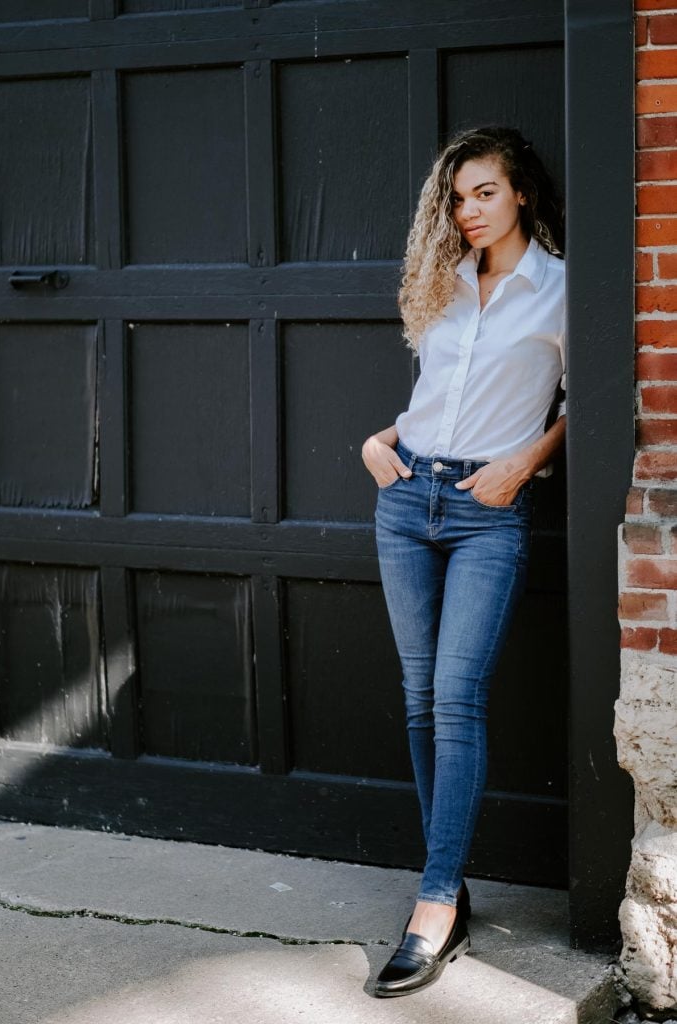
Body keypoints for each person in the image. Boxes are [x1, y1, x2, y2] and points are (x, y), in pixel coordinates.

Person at [361, 125, 566, 999]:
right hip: (405, 498)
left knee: (455, 698)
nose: (468, 210)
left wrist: (527, 460)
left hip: (488, 513)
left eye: (483, 191)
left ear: (519, 191)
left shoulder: (561, 289)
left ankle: (436, 902)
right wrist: (375, 442)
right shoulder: (439, 284)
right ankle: (448, 884)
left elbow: (601, 397)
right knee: (417, 695)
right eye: (456, 197)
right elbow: (434, 395)